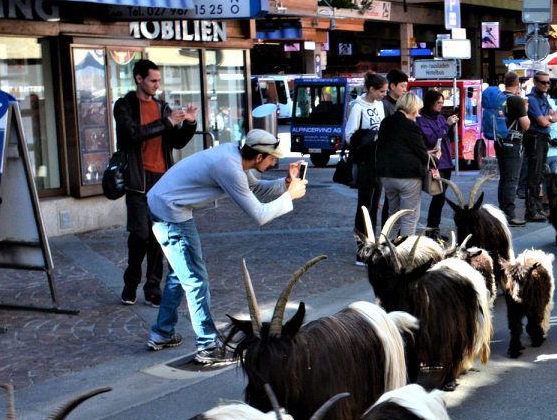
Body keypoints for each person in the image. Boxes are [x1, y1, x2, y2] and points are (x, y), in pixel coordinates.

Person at [146, 129, 306, 366]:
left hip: (168, 207)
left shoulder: (235, 157)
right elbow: (260, 215)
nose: (276, 162)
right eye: (273, 158)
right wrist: (289, 197)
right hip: (170, 213)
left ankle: (162, 333)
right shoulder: (229, 168)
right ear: (259, 157)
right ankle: (207, 346)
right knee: (195, 280)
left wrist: (286, 184)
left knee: (180, 276)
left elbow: (256, 188)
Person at [112, 59, 196, 307]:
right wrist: (167, 122)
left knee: (159, 236)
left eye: (158, 80)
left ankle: (152, 287)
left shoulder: (162, 107)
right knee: (139, 235)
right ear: (139, 79)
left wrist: (189, 123)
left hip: (162, 180)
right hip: (137, 180)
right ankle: (131, 282)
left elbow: (177, 142)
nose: (157, 85)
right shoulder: (125, 105)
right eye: (153, 80)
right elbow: (133, 135)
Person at [345, 73, 389, 262]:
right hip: (365, 160)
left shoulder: (380, 105)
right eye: (381, 91)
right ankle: (361, 247)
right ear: (370, 89)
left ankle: (372, 243)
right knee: (364, 205)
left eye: (385, 91)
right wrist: (370, 137)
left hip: (379, 159)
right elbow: (350, 135)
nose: (383, 95)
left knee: (374, 205)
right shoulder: (358, 107)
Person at [375, 92, 429, 239]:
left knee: (393, 216)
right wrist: (434, 158)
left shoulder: (386, 122)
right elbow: (421, 153)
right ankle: (404, 254)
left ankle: (387, 250)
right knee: (409, 217)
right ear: (411, 108)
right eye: (417, 109)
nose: (417, 114)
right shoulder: (411, 126)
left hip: (387, 176)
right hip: (407, 177)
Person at [417, 89, 459, 239]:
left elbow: (447, 137)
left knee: (441, 197)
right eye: (438, 103)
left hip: (446, 161)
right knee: (438, 196)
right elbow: (431, 138)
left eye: (442, 103)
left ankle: (434, 228)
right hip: (435, 163)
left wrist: (451, 125)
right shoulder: (421, 119)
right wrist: (447, 125)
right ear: (430, 103)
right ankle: (432, 229)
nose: (441, 105)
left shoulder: (440, 117)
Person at [492, 73, 528, 226]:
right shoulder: (516, 100)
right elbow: (526, 125)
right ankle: (509, 214)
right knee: (512, 179)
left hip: (499, 141)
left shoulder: (497, 99)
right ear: (517, 83)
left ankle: (501, 212)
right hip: (513, 142)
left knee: (504, 177)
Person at [524, 72, 557, 221]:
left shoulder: (543, 98)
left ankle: (536, 208)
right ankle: (531, 210)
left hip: (542, 138)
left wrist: (548, 118)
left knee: (539, 175)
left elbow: (555, 117)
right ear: (535, 82)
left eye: (548, 83)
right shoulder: (532, 99)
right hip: (535, 138)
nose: (546, 85)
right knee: (534, 175)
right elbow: (543, 122)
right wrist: (549, 119)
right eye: (543, 82)